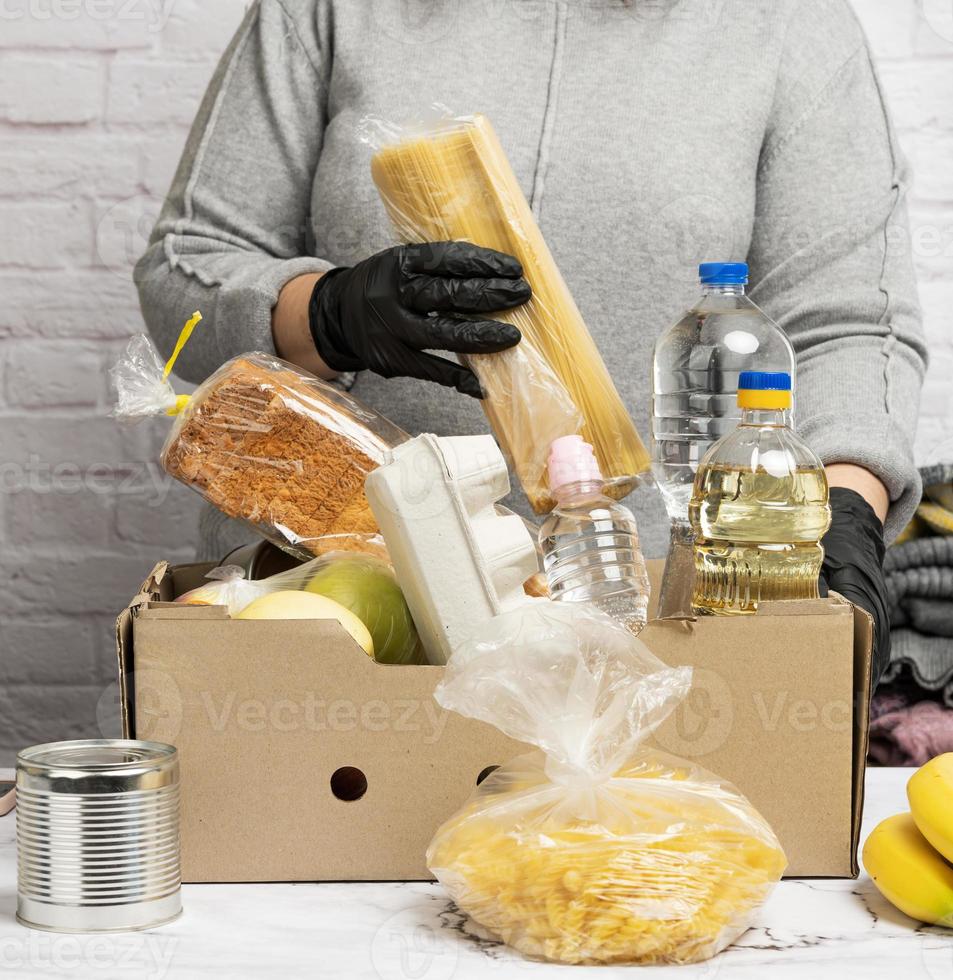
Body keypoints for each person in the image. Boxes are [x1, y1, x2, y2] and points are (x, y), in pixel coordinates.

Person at [135, 0, 928, 684]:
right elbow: (186, 269)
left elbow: (843, 322)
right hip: (327, 607)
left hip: (652, 623)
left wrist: (844, 511)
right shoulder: (333, 10)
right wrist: (331, 312)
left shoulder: (785, 23)